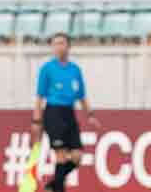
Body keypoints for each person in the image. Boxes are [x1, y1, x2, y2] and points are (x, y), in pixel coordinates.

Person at [32, 33, 100, 192]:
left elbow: (81, 95)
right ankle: (58, 188)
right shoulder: (47, 69)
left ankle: (53, 185)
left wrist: (90, 115)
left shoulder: (75, 70)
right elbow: (40, 96)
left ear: (68, 46)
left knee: (77, 157)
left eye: (61, 43)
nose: (58, 47)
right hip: (53, 113)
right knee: (61, 156)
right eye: (55, 44)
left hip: (69, 114)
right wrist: (36, 120)